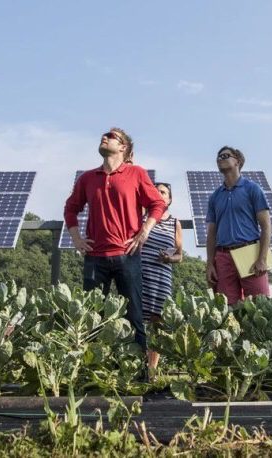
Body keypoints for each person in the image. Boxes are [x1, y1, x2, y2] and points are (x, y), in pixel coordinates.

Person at [63, 128, 166, 352]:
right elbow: (71, 208)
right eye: (104, 135)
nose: (105, 137)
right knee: (90, 316)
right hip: (94, 258)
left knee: (134, 314)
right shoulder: (87, 178)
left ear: (123, 147)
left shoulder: (137, 173)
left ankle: (138, 375)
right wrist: (77, 238)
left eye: (112, 136)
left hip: (127, 256)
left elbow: (157, 204)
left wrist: (145, 231)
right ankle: (93, 371)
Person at [205, 145, 272, 305]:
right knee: (228, 310)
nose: (220, 159)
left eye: (225, 155)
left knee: (258, 306)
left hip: (250, 253)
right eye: (218, 157)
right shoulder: (214, 197)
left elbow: (266, 226)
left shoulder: (253, 189)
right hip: (223, 257)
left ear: (238, 161)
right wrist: (209, 264)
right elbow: (211, 234)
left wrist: (262, 259)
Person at [141, 182, 183, 372]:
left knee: (158, 322)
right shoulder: (142, 218)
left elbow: (180, 255)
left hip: (161, 277)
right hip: (141, 273)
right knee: (138, 319)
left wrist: (170, 258)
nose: (159, 194)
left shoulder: (175, 223)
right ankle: (137, 365)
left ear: (170, 199)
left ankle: (152, 369)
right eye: (156, 191)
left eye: (164, 192)